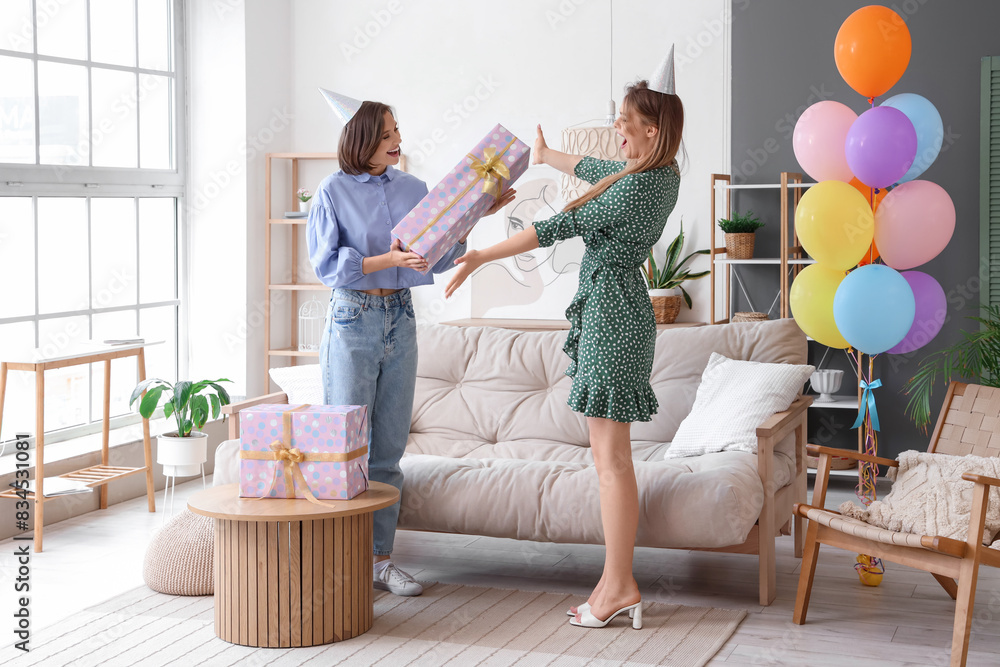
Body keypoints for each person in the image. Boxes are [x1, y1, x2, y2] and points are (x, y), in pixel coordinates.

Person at [445, 54, 683, 628]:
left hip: (612, 321)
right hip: (618, 315)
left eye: (624, 122)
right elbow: (600, 161)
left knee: (611, 462)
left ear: (650, 131)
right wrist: (550, 156)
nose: (616, 130)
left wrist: (479, 255)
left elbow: (554, 227)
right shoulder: (658, 173)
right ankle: (613, 580)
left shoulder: (632, 191)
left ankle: (620, 584)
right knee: (612, 460)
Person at [307, 90, 515, 596]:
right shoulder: (331, 192)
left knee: (388, 452)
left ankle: (380, 562)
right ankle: (341, 560)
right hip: (352, 320)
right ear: (362, 141)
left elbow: (439, 256)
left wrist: (477, 214)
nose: (397, 140)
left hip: (400, 319)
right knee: (346, 447)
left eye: (397, 131)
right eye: (386, 134)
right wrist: (388, 261)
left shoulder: (415, 188)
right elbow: (327, 265)